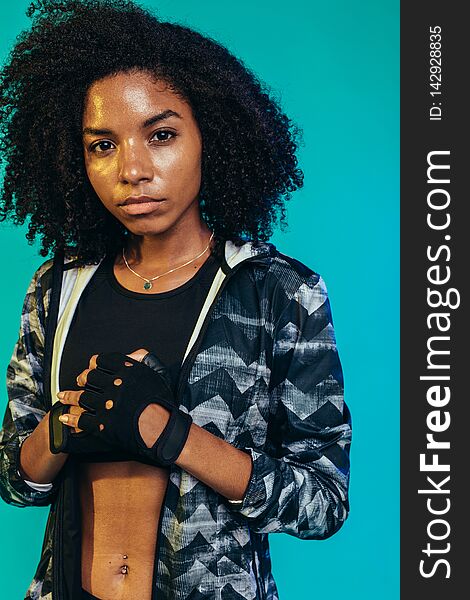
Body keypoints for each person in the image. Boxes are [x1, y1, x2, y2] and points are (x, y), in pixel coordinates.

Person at [0, 1, 352, 599]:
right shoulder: (57, 286)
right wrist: (64, 423)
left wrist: (172, 436)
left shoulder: (277, 292)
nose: (132, 170)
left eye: (160, 135)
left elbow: (324, 503)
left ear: (209, 136)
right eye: (102, 145)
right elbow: (16, 479)